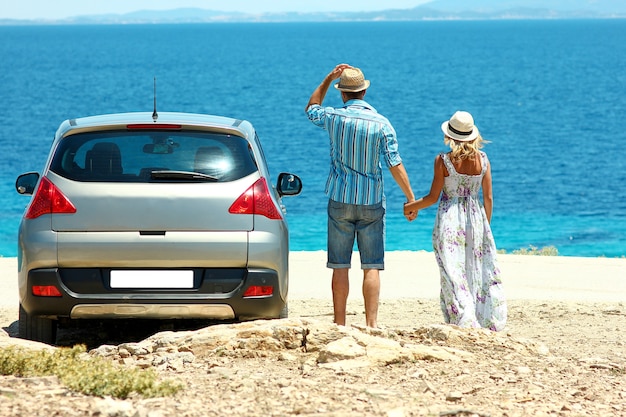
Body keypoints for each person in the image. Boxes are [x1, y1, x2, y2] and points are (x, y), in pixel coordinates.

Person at [305, 64, 415, 328]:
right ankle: (371, 324)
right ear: (364, 91)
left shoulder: (333, 117)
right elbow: (394, 164)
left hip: (340, 198)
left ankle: (340, 323)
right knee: (372, 265)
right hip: (371, 200)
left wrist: (327, 78)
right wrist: (410, 199)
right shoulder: (382, 124)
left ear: (342, 94)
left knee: (340, 266)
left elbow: (311, 108)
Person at [403, 111, 507, 331]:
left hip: (450, 218)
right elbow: (488, 197)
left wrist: (410, 206)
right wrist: (484, 225)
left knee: (452, 269)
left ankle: (463, 315)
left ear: (450, 135)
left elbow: (432, 197)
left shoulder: (443, 161)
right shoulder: (484, 160)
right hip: (476, 219)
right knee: (476, 268)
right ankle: (481, 316)